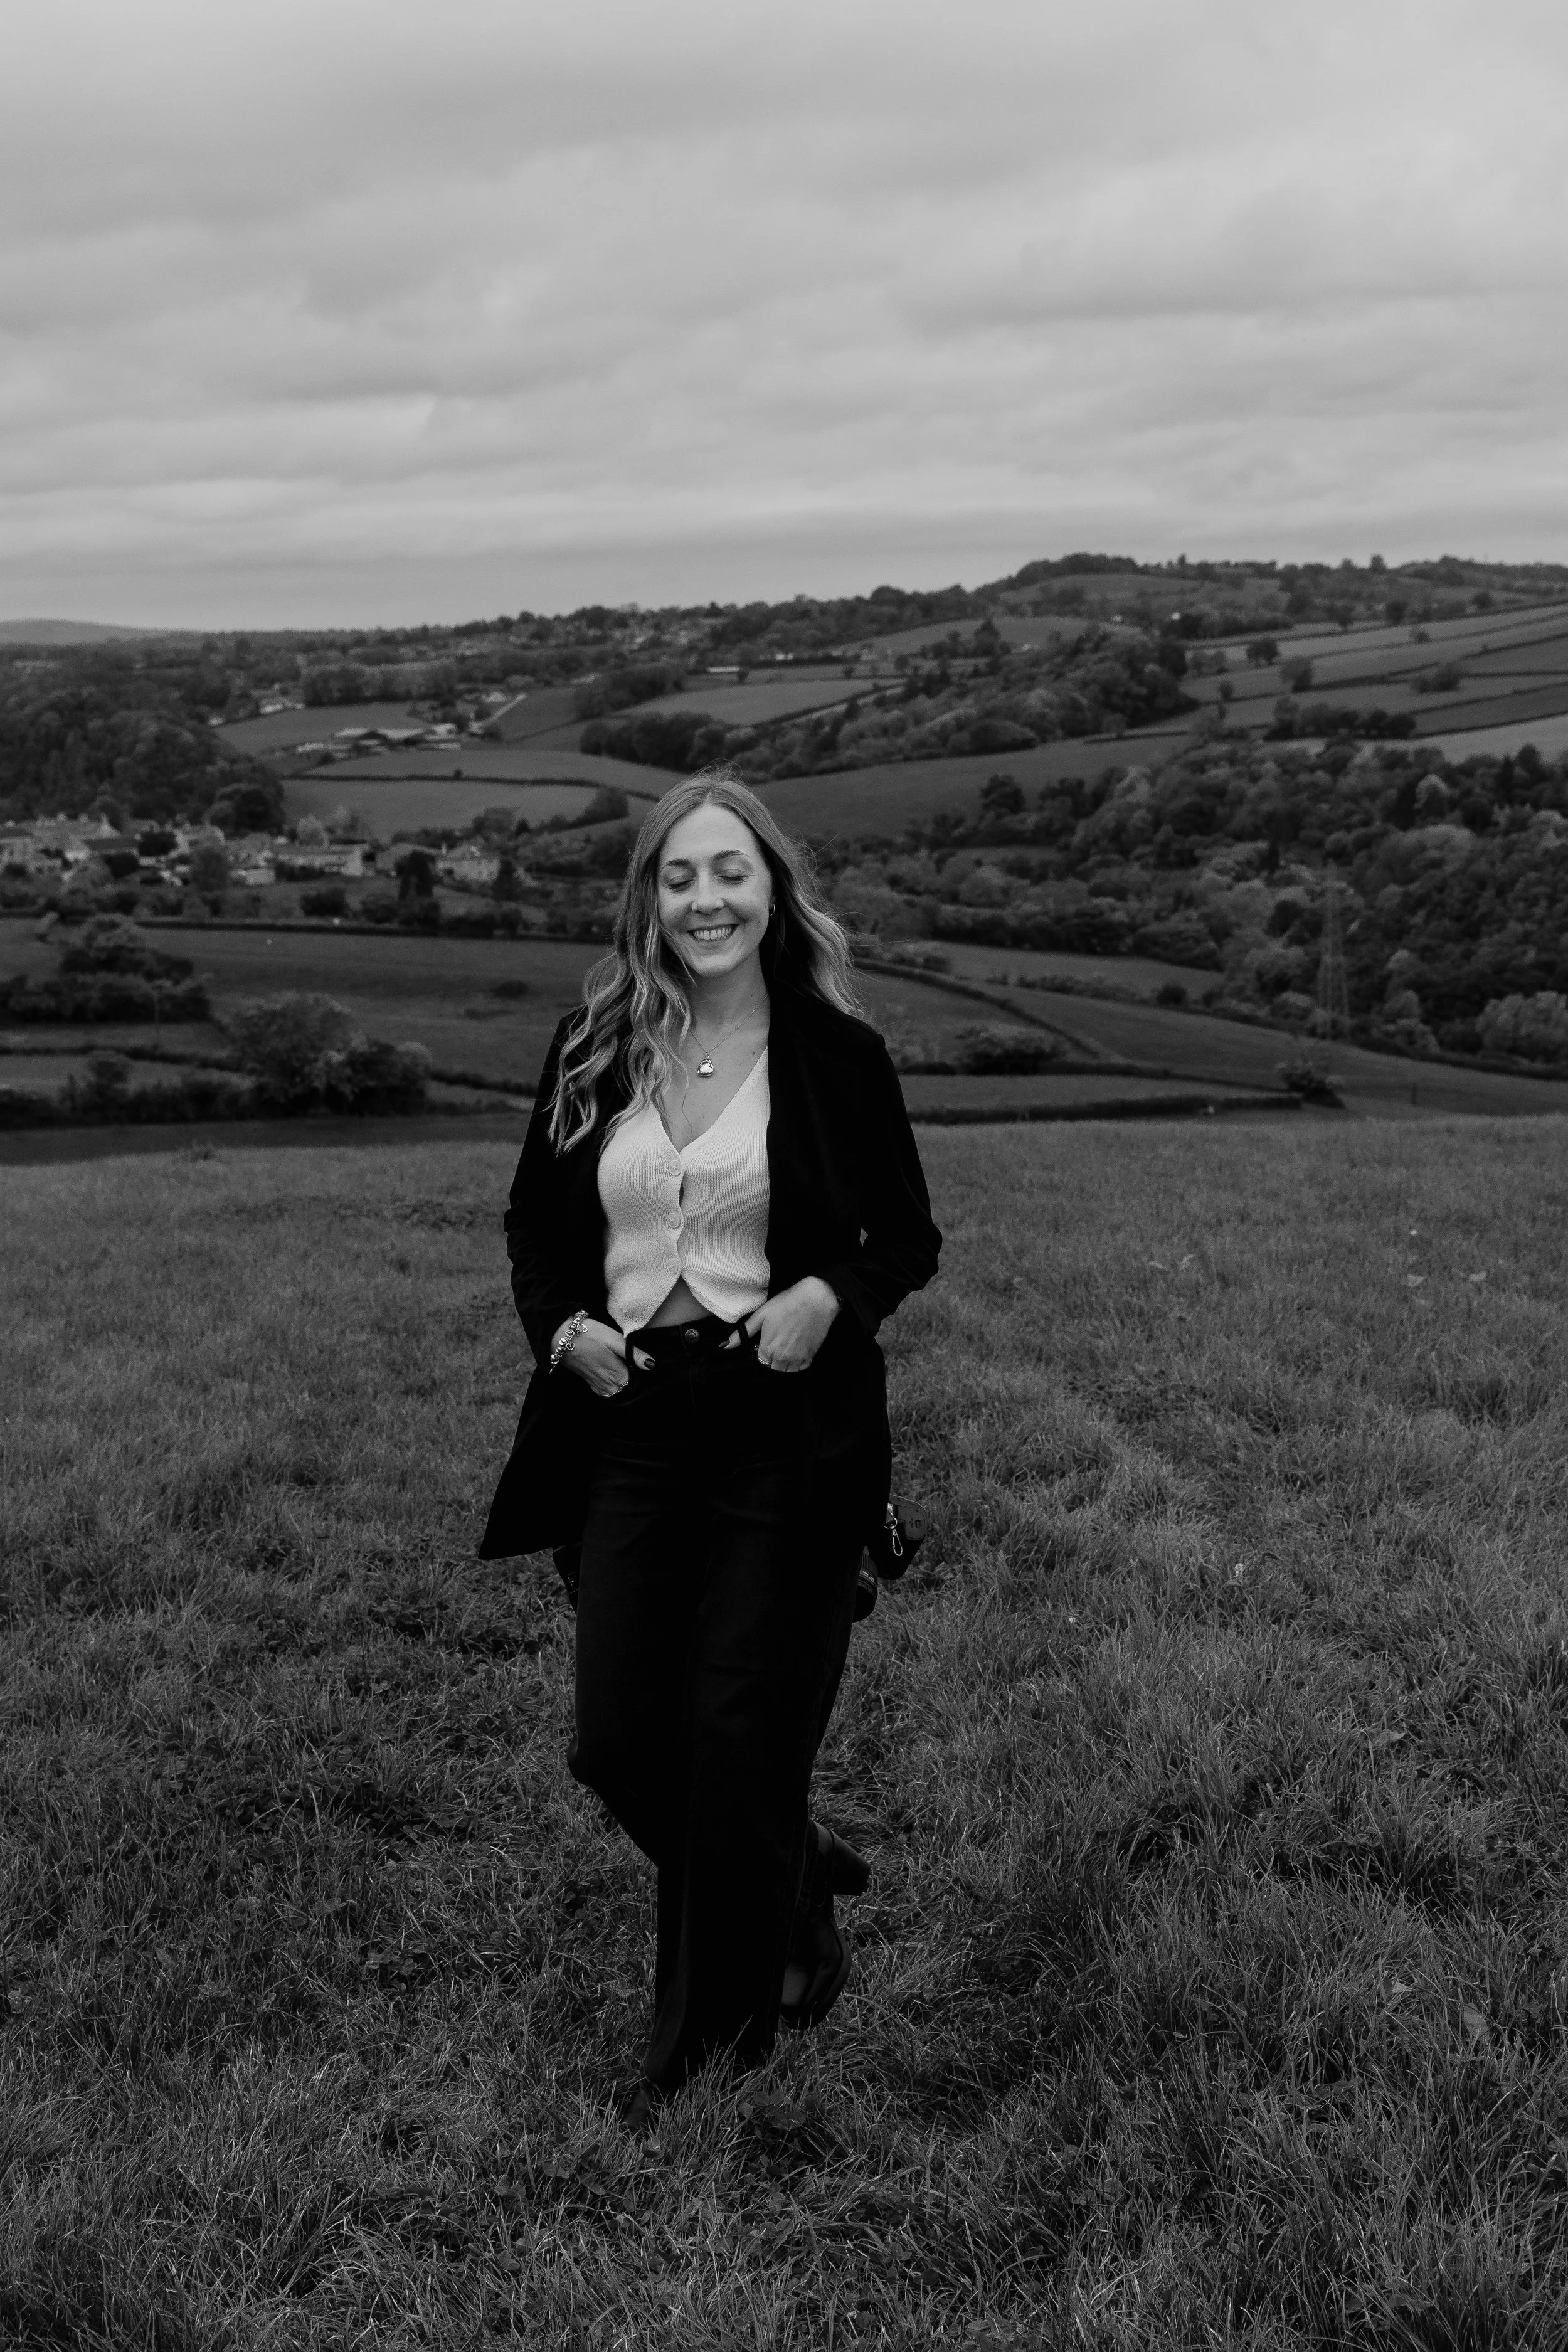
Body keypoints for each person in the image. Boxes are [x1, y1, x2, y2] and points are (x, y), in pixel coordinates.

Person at [479, 770, 940, 2118]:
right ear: (647, 900)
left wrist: (823, 1299)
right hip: (626, 1425)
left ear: (771, 886)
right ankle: (792, 1877)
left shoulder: (833, 1055)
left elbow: (902, 1240)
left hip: (782, 1425)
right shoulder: (590, 1044)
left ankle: (700, 2052)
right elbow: (529, 1230)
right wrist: (558, 1326)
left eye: (727, 872)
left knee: (738, 1738)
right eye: (677, 877)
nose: (704, 900)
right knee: (620, 1742)